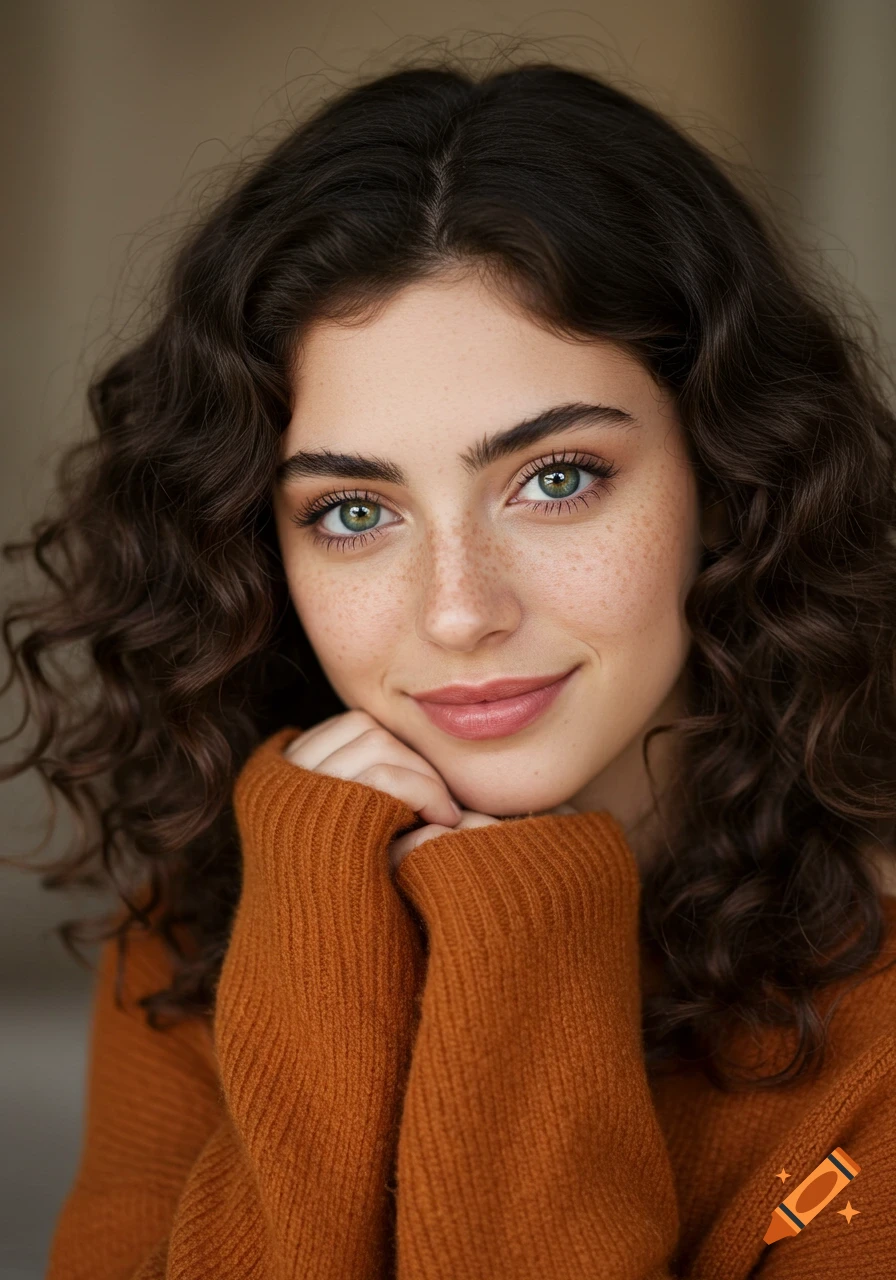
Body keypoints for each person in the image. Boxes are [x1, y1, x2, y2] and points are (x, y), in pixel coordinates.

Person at [4, 49, 896, 1280]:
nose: (460, 610)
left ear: (730, 478)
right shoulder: (203, 935)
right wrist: (322, 947)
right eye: (353, 511)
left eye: (555, 479)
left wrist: (517, 935)